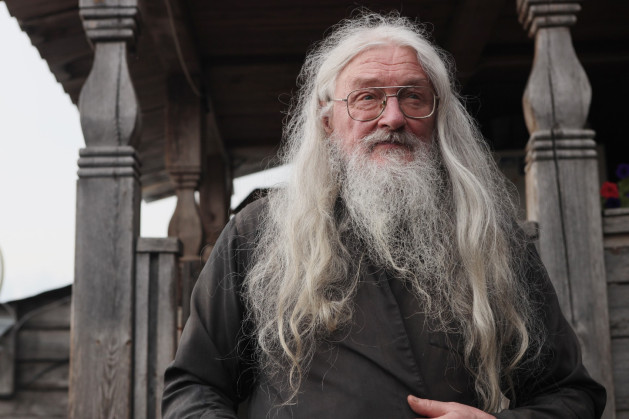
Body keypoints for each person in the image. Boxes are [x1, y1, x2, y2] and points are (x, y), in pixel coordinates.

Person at [162, 13, 606, 418]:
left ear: (438, 118)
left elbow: (569, 395)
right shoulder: (258, 233)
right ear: (327, 122)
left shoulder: (489, 237)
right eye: (367, 98)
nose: (392, 117)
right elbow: (195, 388)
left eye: (413, 97)